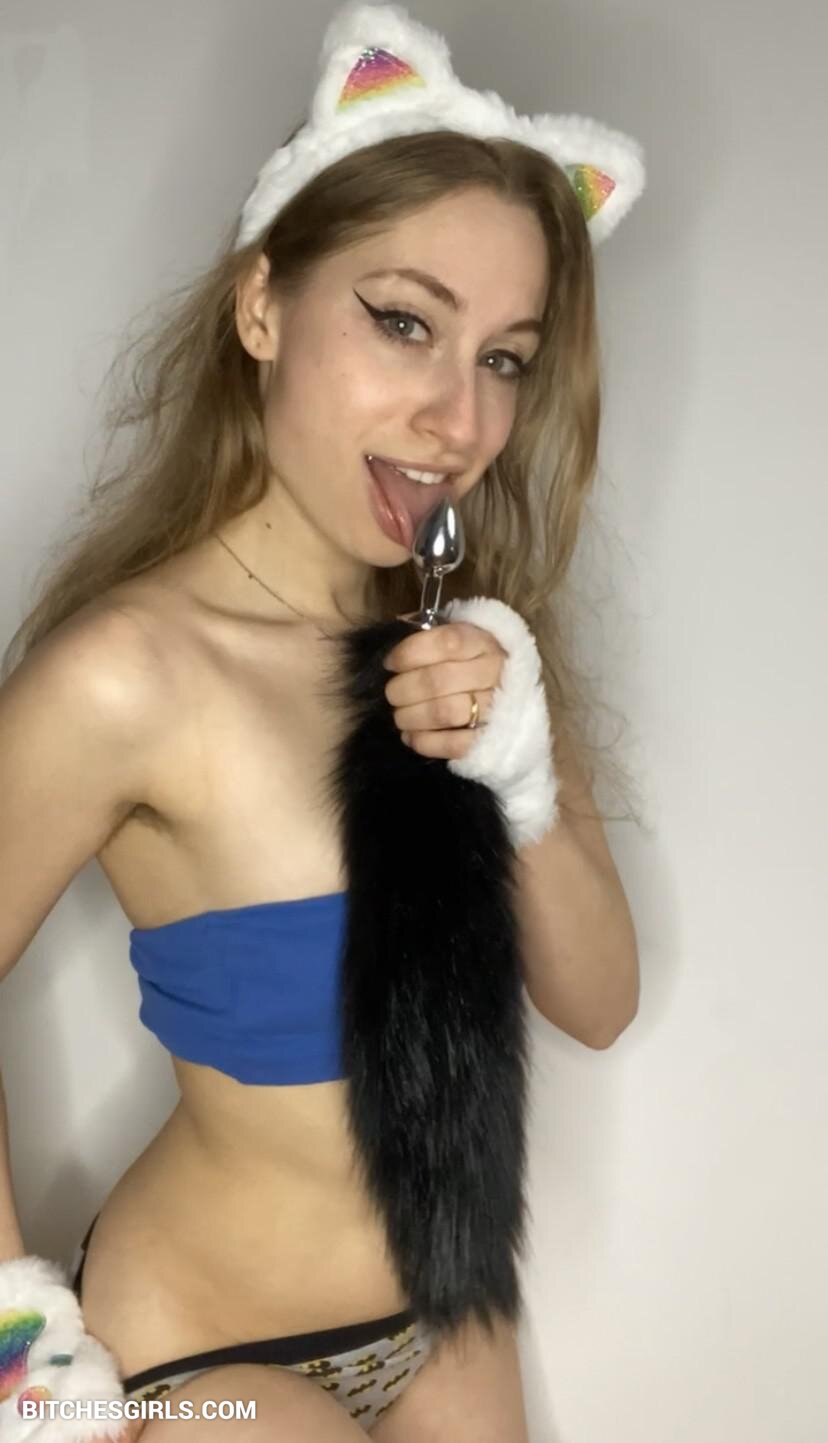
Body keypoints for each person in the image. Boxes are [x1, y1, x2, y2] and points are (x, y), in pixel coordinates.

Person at [0, 3, 645, 1438]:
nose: (458, 420)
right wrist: (16, 1340)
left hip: (445, 1316)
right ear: (263, 308)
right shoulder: (128, 674)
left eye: (504, 357)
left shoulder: (478, 651)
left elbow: (599, 1005)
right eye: (405, 322)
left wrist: (520, 780)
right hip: (201, 1361)